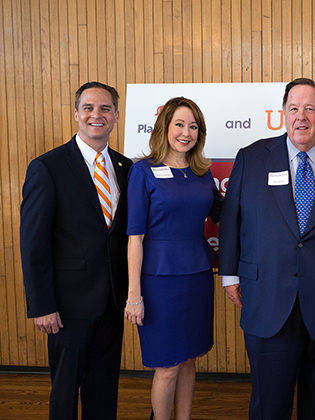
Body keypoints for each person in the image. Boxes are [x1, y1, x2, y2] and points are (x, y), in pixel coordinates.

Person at [218, 78, 315, 420]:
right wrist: (229, 274)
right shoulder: (252, 158)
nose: (300, 117)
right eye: (293, 108)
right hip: (268, 296)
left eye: (309, 109)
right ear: (283, 114)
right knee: (268, 406)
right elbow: (232, 219)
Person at [20, 81, 132, 420]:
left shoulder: (127, 169)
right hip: (67, 308)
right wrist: (42, 306)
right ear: (76, 114)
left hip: (113, 302)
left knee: (104, 391)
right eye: (88, 108)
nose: (96, 115)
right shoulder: (48, 167)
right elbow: (33, 242)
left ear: (115, 115)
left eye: (104, 109)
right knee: (65, 394)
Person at [124, 97, 222, 420]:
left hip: (197, 277)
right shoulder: (143, 171)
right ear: (164, 127)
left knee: (190, 359)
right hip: (158, 282)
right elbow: (134, 238)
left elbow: (227, 213)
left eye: (193, 126)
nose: (186, 132)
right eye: (179, 124)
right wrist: (134, 294)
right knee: (167, 367)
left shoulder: (203, 174)